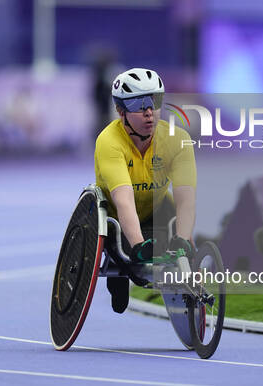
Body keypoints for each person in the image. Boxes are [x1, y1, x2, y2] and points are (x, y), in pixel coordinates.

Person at [94, 68, 197, 313]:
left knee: (182, 233)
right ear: (121, 112)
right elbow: (124, 202)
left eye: (155, 101)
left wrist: (182, 239)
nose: (149, 111)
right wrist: (139, 245)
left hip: (155, 209)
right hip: (114, 219)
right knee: (132, 266)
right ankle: (119, 271)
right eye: (139, 104)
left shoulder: (177, 140)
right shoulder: (109, 142)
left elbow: (186, 199)